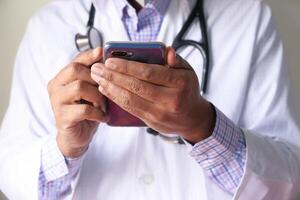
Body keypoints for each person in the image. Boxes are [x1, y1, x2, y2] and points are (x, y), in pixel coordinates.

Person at [0, 0, 300, 199]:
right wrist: (65, 149)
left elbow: (287, 182)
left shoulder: (249, 15)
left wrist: (204, 126)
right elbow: (12, 177)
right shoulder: (48, 25)